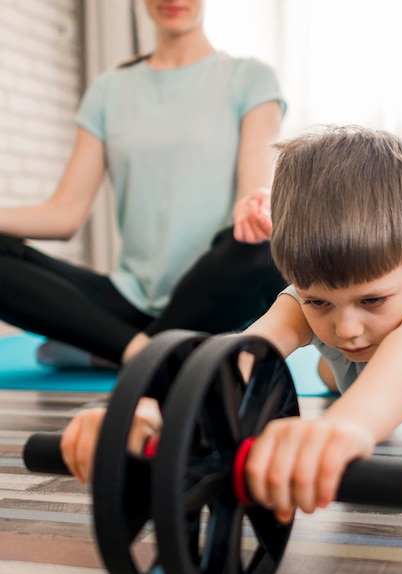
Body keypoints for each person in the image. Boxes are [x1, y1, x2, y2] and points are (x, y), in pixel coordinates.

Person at [60, 125, 402, 524]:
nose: (348, 328)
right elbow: (250, 347)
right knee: (345, 371)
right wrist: (150, 408)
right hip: (396, 244)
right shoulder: (319, 287)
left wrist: (340, 431)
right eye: (318, 302)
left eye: (372, 300)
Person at [0, 0, 287, 368]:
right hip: (129, 298)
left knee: (265, 251)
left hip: (216, 291)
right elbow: (64, 215)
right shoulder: (108, 89)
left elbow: (252, 190)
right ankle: (147, 352)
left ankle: (108, 347)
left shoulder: (251, 78)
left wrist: (255, 206)